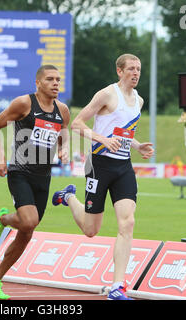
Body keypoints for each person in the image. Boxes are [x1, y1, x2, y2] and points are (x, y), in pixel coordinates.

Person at [52, 54, 154, 300]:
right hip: (99, 165)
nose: (135, 73)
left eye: (138, 69)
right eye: (131, 69)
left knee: (127, 223)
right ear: (119, 71)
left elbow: (123, 133)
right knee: (90, 229)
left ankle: (117, 286)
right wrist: (103, 140)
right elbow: (77, 123)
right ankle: (68, 197)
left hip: (123, 168)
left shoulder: (138, 100)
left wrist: (138, 146)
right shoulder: (107, 94)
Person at [0, 65, 70, 299]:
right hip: (20, 170)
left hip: (43, 176)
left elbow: (63, 133)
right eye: (50, 79)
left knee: (28, 230)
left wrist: (63, 150)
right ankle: (3, 218)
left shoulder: (62, 110)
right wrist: (0, 158)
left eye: (58, 80)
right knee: (29, 220)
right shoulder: (24, 103)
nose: (55, 83)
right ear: (38, 83)